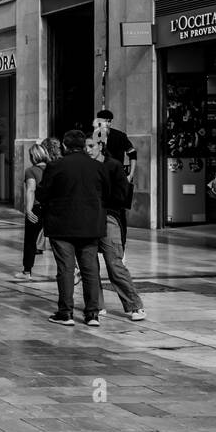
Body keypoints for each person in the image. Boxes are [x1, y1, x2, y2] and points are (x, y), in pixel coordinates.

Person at [36, 129, 109, 327]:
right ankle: (92, 314)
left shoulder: (55, 166)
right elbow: (108, 195)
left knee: (66, 270)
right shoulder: (98, 167)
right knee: (90, 270)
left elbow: (42, 194)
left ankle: (65, 312)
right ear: (84, 146)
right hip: (90, 226)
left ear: (65, 146)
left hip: (62, 225)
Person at [87, 133, 146, 321]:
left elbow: (121, 196)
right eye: (85, 147)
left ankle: (135, 305)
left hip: (108, 216)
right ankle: (97, 305)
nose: (88, 150)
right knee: (89, 265)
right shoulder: (86, 167)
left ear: (101, 146)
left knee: (114, 263)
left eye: (91, 146)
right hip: (88, 218)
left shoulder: (113, 166)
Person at [95, 109, 137, 248]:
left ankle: (121, 243)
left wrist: (130, 175)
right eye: (103, 121)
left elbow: (132, 154)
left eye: (108, 121)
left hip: (115, 178)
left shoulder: (119, 136)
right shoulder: (93, 137)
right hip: (99, 177)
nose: (106, 124)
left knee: (119, 211)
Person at [16, 141, 52, 281]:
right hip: (52, 209)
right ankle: (72, 269)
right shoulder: (52, 169)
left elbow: (31, 189)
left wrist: (28, 209)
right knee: (57, 241)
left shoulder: (31, 171)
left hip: (37, 208)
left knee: (30, 240)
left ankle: (27, 271)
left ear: (33, 157)